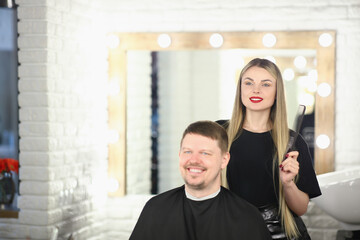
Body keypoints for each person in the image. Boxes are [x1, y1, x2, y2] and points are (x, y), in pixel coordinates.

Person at [217, 58, 321, 240]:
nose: (255, 89)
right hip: (232, 231)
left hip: (282, 234)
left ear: (277, 92)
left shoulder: (293, 142)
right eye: (248, 83)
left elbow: (301, 209)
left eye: (266, 84)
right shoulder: (219, 133)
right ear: (240, 89)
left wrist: (288, 183)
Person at [129, 120, 272, 240]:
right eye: (188, 152)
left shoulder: (247, 218)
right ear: (179, 155)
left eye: (205, 153)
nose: (194, 160)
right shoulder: (156, 209)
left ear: (224, 160)